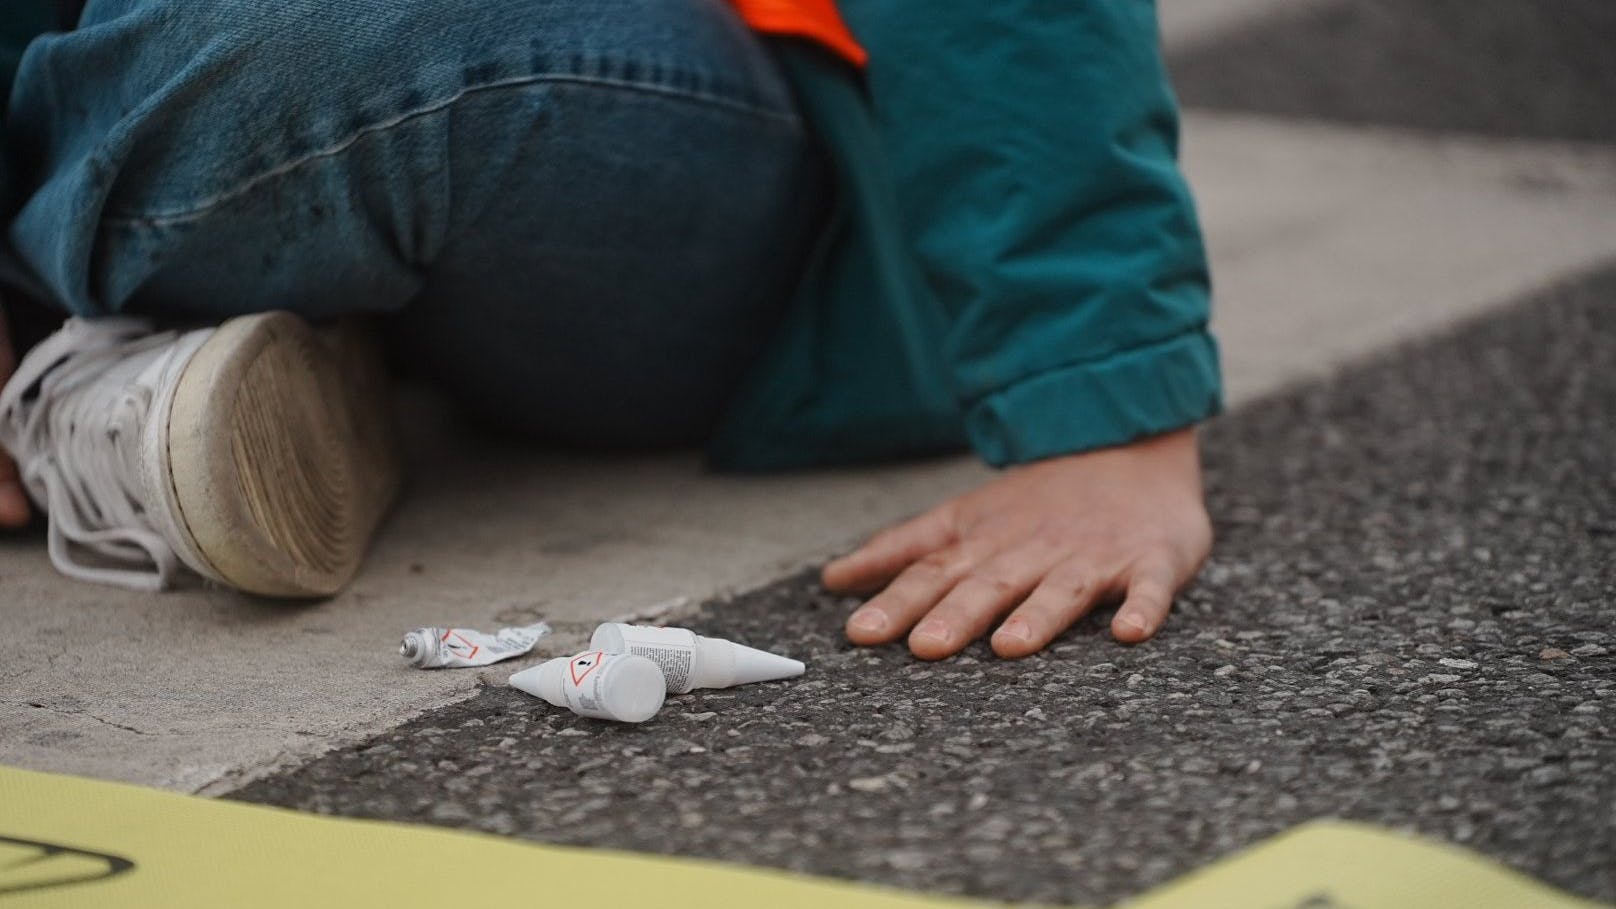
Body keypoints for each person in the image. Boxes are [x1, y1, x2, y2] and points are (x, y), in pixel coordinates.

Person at [0, 0, 1220, 660]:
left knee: (283, 50)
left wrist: (1100, 411)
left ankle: (125, 335)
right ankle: (266, 322)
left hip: (724, 146)